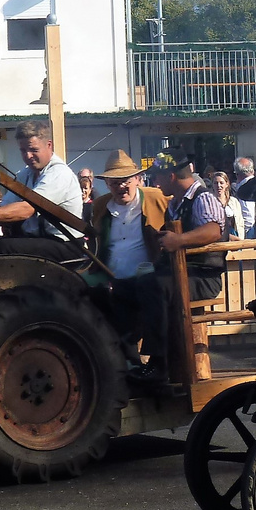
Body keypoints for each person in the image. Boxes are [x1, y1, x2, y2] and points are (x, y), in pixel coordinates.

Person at [133, 150, 227, 384]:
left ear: (171, 176)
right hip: (181, 274)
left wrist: (178, 241)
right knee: (140, 285)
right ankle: (136, 359)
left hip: (203, 277)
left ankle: (159, 364)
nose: (155, 182)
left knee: (156, 286)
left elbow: (213, 230)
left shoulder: (202, 198)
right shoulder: (174, 203)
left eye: (158, 176)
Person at [91, 150, 170, 364]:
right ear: (106, 184)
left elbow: (178, 217)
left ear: (137, 179)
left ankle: (156, 367)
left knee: (152, 306)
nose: (120, 187)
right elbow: (95, 242)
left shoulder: (156, 198)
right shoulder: (99, 207)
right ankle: (127, 370)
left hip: (147, 277)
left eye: (125, 180)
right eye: (114, 182)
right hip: (113, 278)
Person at [0, 119, 84, 243]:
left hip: (65, 245)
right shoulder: (25, 174)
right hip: (37, 241)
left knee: (1, 248)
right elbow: (5, 207)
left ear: (49, 145)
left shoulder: (59, 174)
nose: (28, 156)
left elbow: (26, 209)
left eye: (33, 150)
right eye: (23, 151)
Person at [209, 168, 247, 240]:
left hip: (234, 234)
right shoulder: (209, 202)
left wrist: (241, 238)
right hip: (218, 237)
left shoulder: (233, 201)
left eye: (221, 183)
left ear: (227, 184)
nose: (218, 185)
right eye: (216, 183)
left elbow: (240, 222)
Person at [232, 157, 256, 237]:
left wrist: (246, 231)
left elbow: (247, 213)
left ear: (237, 173)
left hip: (250, 230)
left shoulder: (243, 187)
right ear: (252, 170)